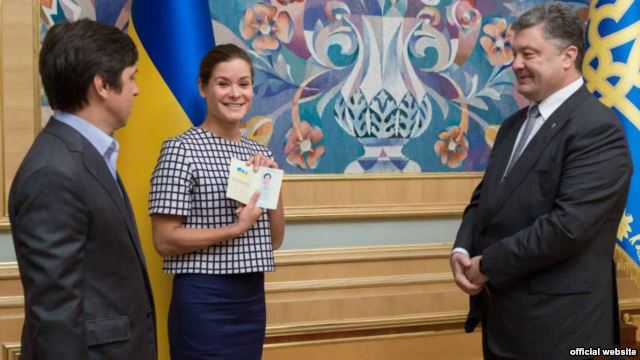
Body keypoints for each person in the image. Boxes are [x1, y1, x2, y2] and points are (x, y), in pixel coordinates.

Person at [450, 3, 632, 359]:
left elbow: (568, 227)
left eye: (528, 53)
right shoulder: (512, 127)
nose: (515, 63)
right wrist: (462, 249)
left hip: (563, 330)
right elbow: (485, 200)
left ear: (568, 56)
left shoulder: (596, 128)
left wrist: (487, 264)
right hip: (506, 321)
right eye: (515, 53)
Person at [9, 19, 156, 359]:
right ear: (103, 85)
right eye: (131, 77)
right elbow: (56, 313)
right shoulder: (53, 172)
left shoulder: (85, 153)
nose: (136, 90)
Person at [149, 43, 285, 359]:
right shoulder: (180, 149)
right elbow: (164, 240)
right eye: (223, 83)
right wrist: (234, 229)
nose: (235, 93)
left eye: (244, 84)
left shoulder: (261, 153)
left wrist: (272, 182)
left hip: (250, 299)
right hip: (203, 299)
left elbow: (275, 239)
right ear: (203, 87)